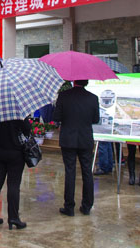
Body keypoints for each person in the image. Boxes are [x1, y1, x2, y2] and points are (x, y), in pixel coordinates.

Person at [53, 79, 100, 217]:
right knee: (87, 171)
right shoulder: (93, 98)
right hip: (85, 139)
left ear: (74, 81)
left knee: (70, 171)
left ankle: (69, 207)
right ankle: (87, 206)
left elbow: (56, 116)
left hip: (68, 139)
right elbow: (96, 119)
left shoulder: (64, 96)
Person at [0, 118, 31, 230]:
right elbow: (27, 129)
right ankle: (13, 217)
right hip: (15, 151)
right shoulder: (17, 111)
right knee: (13, 185)